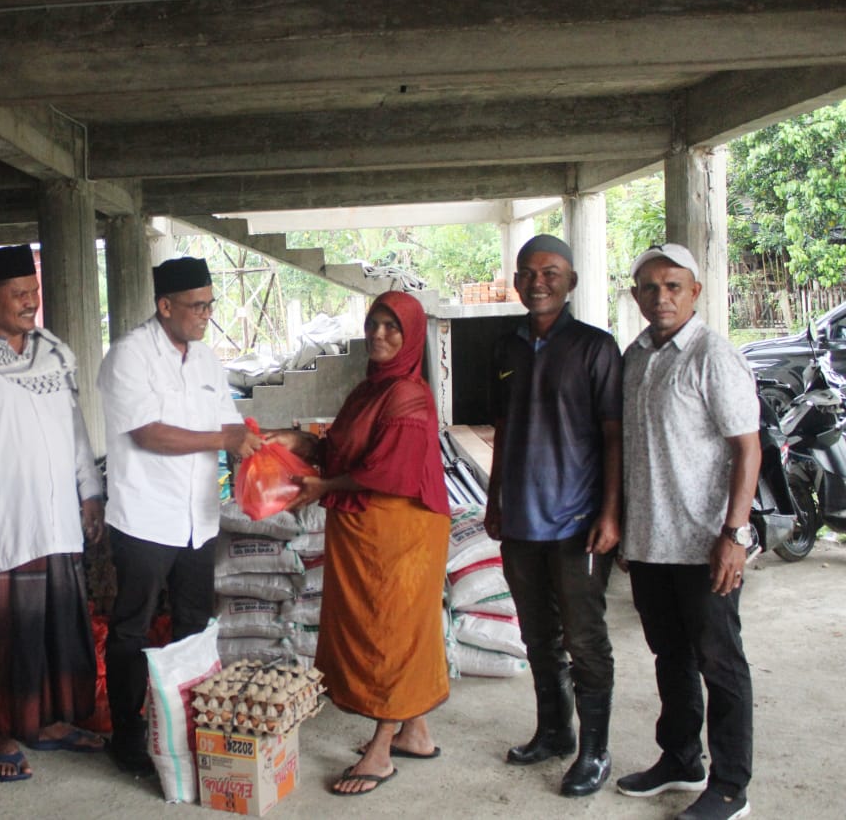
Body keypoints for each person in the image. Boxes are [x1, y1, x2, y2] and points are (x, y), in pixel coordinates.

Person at [0, 245, 106, 784]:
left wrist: (90, 490)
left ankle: (51, 724)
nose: (31, 302)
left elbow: (75, 432)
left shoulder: (53, 356)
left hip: (57, 522)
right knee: (9, 639)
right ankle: (4, 736)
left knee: (60, 628)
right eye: (19, 294)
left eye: (33, 292)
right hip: (5, 528)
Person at [268, 291, 450, 796]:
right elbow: (341, 450)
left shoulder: (409, 396)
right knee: (385, 626)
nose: (380, 335)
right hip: (368, 529)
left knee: (388, 633)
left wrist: (323, 489)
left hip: (400, 530)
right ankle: (414, 731)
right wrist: (296, 440)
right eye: (374, 324)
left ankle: (381, 749)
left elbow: (388, 472)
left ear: (411, 334)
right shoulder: (370, 390)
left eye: (393, 327)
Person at [97, 256, 263, 776]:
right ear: (164, 306)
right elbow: (148, 433)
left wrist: (267, 456)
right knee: (132, 627)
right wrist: (224, 439)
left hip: (198, 518)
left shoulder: (208, 360)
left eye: (210, 305)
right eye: (196, 306)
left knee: (194, 624)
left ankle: (188, 724)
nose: (205, 315)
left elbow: (234, 426)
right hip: (145, 518)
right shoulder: (128, 356)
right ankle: (126, 734)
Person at [618, 243, 759, 820]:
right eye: (650, 287)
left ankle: (730, 785)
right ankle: (680, 758)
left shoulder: (712, 355)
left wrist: (736, 533)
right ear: (636, 296)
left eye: (674, 286)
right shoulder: (636, 356)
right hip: (651, 539)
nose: (662, 297)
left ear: (695, 292)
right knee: (669, 655)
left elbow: (746, 450)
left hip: (704, 541)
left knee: (720, 662)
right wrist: (629, 528)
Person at [484, 234, 623, 797]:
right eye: (528, 272)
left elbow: (614, 436)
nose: (537, 281)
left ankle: (595, 751)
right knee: (538, 635)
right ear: (515, 281)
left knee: (585, 640)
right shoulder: (505, 348)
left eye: (551, 271)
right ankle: (554, 732)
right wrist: (494, 500)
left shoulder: (595, 347)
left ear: (570, 282)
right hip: (519, 521)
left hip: (577, 524)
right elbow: (501, 432)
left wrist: (610, 514)